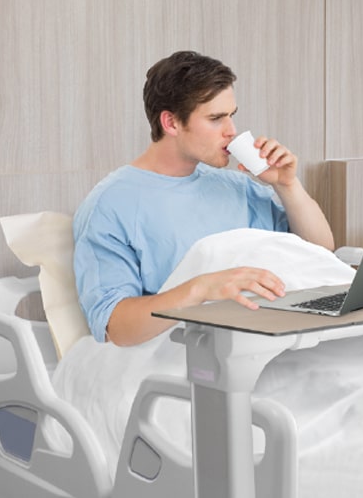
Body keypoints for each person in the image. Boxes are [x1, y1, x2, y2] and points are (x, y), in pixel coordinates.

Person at [74, 51, 335, 346]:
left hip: (274, 338)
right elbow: (117, 328)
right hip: (190, 353)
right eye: (216, 119)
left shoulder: (237, 186)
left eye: (231, 116)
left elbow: (320, 252)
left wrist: (288, 185)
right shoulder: (111, 205)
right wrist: (199, 289)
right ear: (171, 123)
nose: (232, 132)